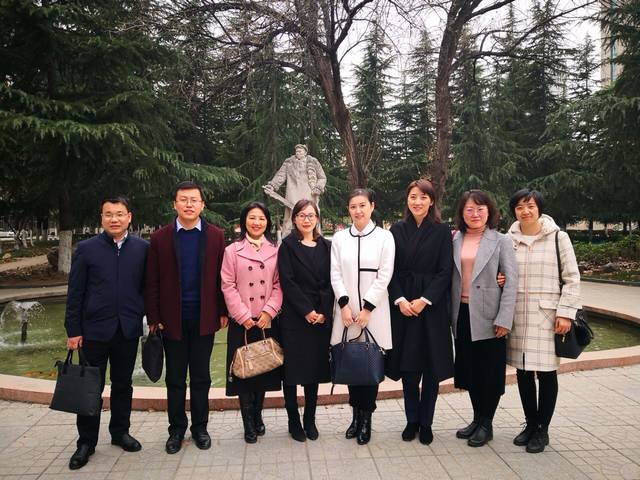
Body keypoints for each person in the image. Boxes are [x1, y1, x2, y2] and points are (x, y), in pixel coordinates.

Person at [64, 196, 148, 470]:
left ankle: (120, 432)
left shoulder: (142, 248)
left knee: (123, 384)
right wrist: (73, 330)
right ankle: (86, 442)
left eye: (120, 214)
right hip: (94, 331)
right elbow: (75, 293)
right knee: (91, 387)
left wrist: (144, 315)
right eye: (109, 214)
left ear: (129, 217)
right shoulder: (87, 249)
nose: (115, 219)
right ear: (101, 218)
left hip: (127, 329)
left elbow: (147, 288)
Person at [145, 181, 228, 454]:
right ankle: (176, 430)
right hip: (172, 320)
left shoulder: (216, 236)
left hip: (205, 317)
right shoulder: (160, 238)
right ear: (175, 204)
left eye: (194, 200)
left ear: (202, 204)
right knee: (176, 378)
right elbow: (152, 281)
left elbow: (222, 277)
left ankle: (200, 428)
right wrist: (154, 316)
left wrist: (223, 311)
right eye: (183, 199)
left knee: (202, 377)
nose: (189, 204)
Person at [506, 189, 580, 453]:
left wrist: (565, 313)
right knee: (523, 372)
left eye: (530, 206)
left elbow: (572, 278)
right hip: (518, 315)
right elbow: (503, 272)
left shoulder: (558, 237)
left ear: (539, 208)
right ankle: (530, 424)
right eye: (519, 207)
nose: (525, 211)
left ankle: (542, 429)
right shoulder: (508, 240)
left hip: (547, 317)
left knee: (547, 373)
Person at [385, 179, 454, 445]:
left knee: (431, 369)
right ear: (407, 199)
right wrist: (400, 299)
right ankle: (411, 419)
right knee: (409, 368)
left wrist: (424, 300)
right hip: (404, 307)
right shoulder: (396, 230)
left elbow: (445, 271)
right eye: (413, 196)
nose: (417, 202)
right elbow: (389, 270)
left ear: (431, 200)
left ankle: (427, 422)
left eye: (423, 197)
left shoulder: (442, 231)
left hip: (431, 308)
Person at [450, 190, 518, 447]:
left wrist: (504, 318)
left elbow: (511, 282)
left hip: (490, 316)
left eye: (480, 209)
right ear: (462, 213)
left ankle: (486, 424)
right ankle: (476, 419)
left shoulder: (501, 241)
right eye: (469, 209)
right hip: (462, 314)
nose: (475, 214)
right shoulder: (455, 239)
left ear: (489, 212)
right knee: (470, 370)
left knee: (489, 372)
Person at [330, 188, 395, 445]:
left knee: (369, 365)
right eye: (353, 206)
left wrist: (367, 308)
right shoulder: (339, 238)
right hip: (346, 312)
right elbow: (335, 273)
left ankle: (366, 418)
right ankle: (355, 417)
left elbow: (385, 275)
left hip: (373, 312)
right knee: (350, 362)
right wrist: (344, 305)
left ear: (372, 206)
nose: (358, 211)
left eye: (362, 205)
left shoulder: (384, 237)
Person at [221, 202, 283, 443]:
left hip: (266, 320)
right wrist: (242, 315)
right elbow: (227, 285)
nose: (257, 222)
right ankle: (248, 423)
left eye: (261, 218)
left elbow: (279, 285)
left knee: (263, 369)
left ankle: (258, 417)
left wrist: (269, 311)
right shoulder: (232, 251)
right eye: (252, 218)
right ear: (244, 221)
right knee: (244, 373)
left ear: (267, 222)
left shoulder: (275, 250)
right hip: (243, 321)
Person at [277, 199, 333, 442]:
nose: (306, 219)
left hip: (320, 318)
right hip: (295, 318)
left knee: (314, 371)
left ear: (317, 218)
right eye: (301, 215)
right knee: (291, 372)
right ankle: (293, 420)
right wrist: (307, 310)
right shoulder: (287, 246)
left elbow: (332, 280)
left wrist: (322, 311)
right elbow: (287, 282)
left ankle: (310, 419)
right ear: (295, 219)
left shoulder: (327, 246)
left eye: (311, 215)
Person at [263, 144, 327, 235]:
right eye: (296, 151)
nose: (298, 153)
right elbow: (280, 175)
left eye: (300, 151)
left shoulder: (313, 161)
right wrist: (272, 185)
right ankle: (288, 238)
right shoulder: (289, 162)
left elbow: (322, 177)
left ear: (305, 152)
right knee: (291, 218)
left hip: (309, 194)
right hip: (293, 193)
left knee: (310, 215)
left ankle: (314, 238)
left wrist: (318, 187)